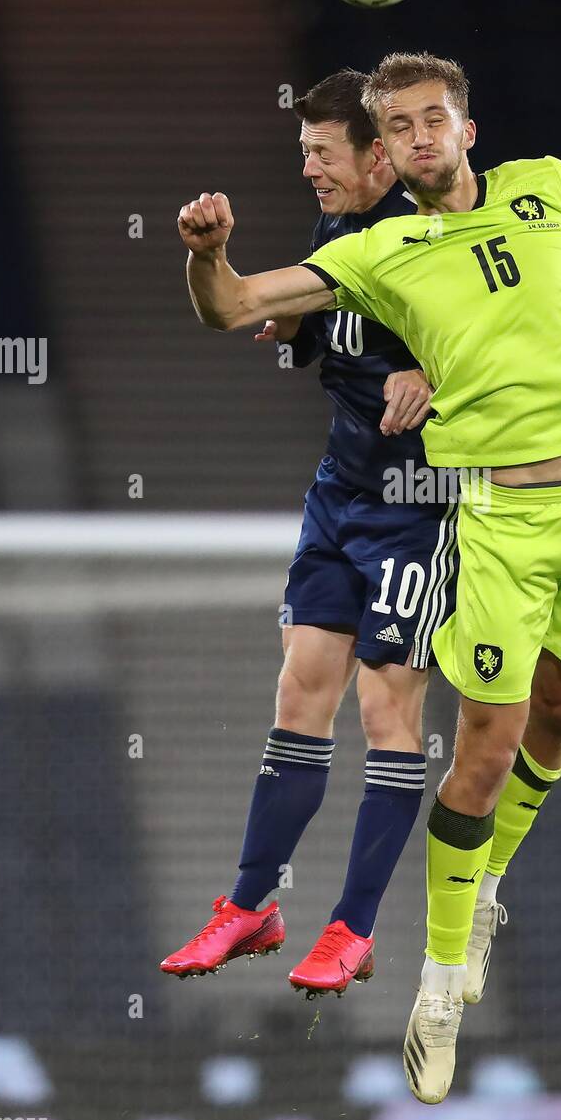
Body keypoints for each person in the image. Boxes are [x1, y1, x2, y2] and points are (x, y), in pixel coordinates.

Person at [177, 51, 561, 1101]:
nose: (422, 138)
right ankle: (437, 980)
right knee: (486, 737)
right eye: (402, 127)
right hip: (503, 521)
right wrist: (209, 254)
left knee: (560, 717)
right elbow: (235, 304)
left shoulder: (550, 188)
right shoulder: (382, 252)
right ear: (386, 147)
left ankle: (483, 892)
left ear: (466, 130)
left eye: (438, 119)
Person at [161, 69, 454, 999]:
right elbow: (228, 308)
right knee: (299, 695)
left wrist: (443, 380)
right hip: (340, 497)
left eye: (321, 154)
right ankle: (251, 906)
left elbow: (519, 351)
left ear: (375, 155)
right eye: (301, 155)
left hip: (420, 508)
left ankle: (353, 928)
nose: (309, 171)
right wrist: (210, 255)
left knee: (385, 711)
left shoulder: (435, 243)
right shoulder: (339, 239)